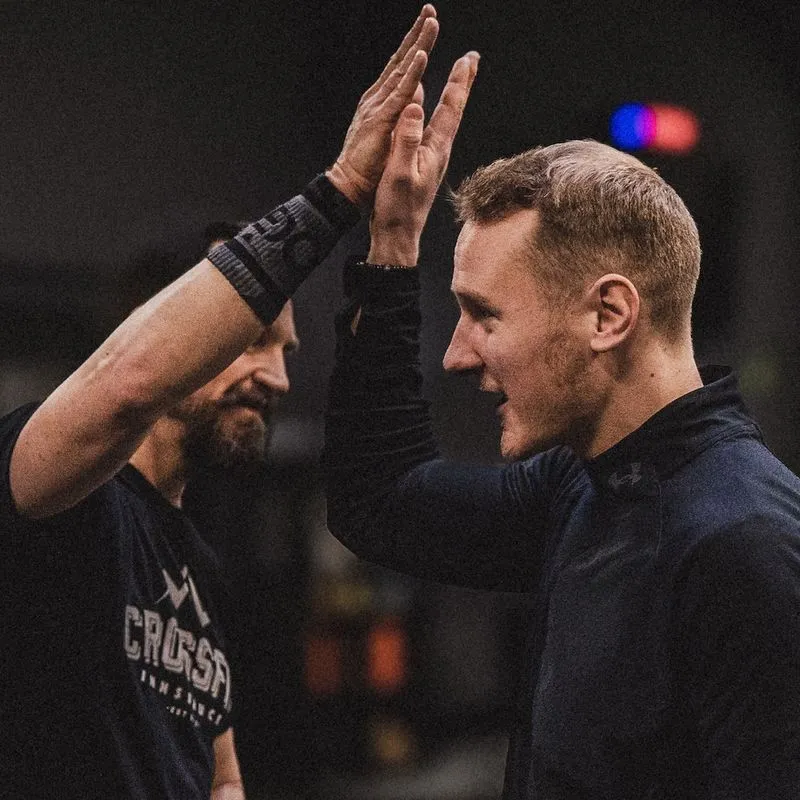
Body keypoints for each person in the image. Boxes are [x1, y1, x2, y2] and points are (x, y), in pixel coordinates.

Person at [0, 6, 479, 797]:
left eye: (284, 351)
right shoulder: (58, 494)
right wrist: (338, 195)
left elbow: (220, 776)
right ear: (173, 337)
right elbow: (125, 388)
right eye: (251, 341)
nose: (280, 377)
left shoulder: (198, 566)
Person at [323, 126, 800, 794]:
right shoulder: (582, 486)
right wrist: (392, 249)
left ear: (608, 314)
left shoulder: (743, 547)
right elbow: (380, 499)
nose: (456, 356)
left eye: (484, 315)